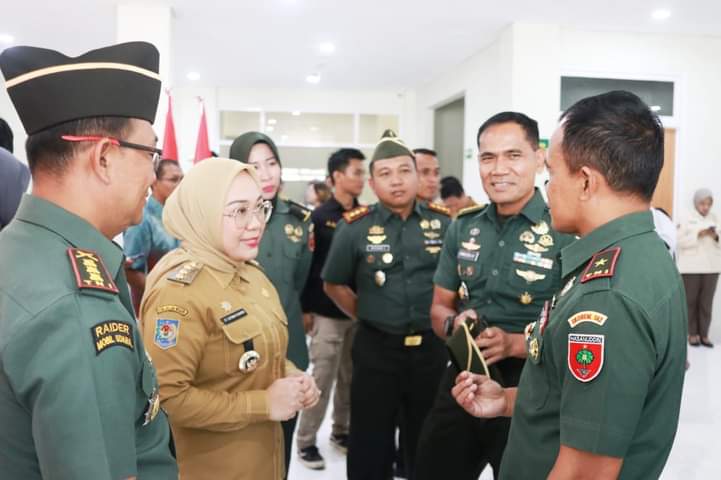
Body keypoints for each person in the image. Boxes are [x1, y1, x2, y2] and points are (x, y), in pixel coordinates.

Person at [453, 91, 687, 480]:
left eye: (552, 173)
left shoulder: (607, 297)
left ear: (586, 182)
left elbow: (586, 471)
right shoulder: (637, 255)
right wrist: (508, 401)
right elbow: (584, 402)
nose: (548, 188)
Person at [0, 42, 177, 478]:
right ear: (104, 158)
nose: (152, 176)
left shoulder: (16, 248)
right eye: (150, 155)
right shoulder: (77, 309)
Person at [414, 112, 574, 480]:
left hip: (533, 383)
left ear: (539, 159)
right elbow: (439, 307)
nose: (499, 169)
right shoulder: (463, 226)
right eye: (488, 157)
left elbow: (580, 328)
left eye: (513, 155)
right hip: (465, 374)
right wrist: (454, 324)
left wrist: (515, 343)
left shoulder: (564, 228)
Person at [140, 158, 320, 479]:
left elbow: (260, 355)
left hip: (264, 461)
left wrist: (293, 377)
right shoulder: (178, 292)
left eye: (260, 208)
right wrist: (264, 404)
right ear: (204, 212)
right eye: (239, 211)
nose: (256, 223)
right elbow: (168, 398)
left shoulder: (250, 273)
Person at [322, 130, 451, 480]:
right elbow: (333, 283)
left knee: (428, 440)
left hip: (430, 350)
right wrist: (366, 312)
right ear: (372, 183)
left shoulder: (444, 223)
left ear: (417, 175)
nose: (396, 181)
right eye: (385, 173)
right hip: (376, 349)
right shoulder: (354, 227)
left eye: (404, 171)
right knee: (370, 440)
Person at [228, 131, 313, 475]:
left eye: (272, 163)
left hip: (288, 351)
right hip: (237, 355)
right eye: (254, 166)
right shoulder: (225, 219)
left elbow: (299, 283)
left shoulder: (300, 221)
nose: (266, 174)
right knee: (243, 453)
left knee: (281, 449)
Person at [296, 147, 366, 469]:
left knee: (350, 380)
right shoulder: (319, 218)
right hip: (325, 314)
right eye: (356, 172)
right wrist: (305, 309)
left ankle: (341, 431)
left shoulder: (365, 216)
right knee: (321, 379)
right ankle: (306, 441)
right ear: (337, 176)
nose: (362, 178)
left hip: (357, 313)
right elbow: (309, 268)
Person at [124, 158, 182, 313]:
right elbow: (130, 271)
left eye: (182, 179)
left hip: (180, 304)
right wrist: (161, 292)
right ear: (154, 182)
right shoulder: (142, 218)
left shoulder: (177, 216)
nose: (179, 185)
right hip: (152, 307)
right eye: (173, 180)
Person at [677, 188, 720, 347]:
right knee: (691, 301)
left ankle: (704, 335)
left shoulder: (715, 218)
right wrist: (698, 234)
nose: (706, 207)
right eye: (702, 203)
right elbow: (679, 241)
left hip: (711, 268)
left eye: (709, 204)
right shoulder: (686, 217)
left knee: (706, 303)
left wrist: (715, 236)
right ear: (696, 203)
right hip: (690, 267)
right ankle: (692, 334)